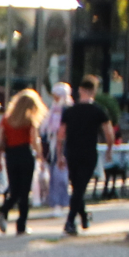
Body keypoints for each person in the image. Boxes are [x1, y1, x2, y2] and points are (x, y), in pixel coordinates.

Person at [59, 74, 118, 237]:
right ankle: (72, 220)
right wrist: (110, 148)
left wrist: (59, 154)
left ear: (80, 90)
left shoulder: (69, 111)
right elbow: (108, 131)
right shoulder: (99, 110)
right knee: (80, 187)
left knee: (77, 187)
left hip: (72, 152)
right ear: (93, 91)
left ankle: (81, 217)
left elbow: (61, 134)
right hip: (88, 153)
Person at [0, 87, 46, 236]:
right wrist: (40, 155)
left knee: (14, 189)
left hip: (10, 155)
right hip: (25, 154)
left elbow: (1, 141)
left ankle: (4, 209)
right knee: (24, 192)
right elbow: (34, 140)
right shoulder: (29, 121)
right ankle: (21, 225)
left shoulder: (6, 120)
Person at [40, 83, 72, 211]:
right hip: (52, 145)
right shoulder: (53, 109)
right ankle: (55, 202)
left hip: (64, 144)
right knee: (54, 175)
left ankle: (62, 202)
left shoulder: (67, 109)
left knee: (62, 176)